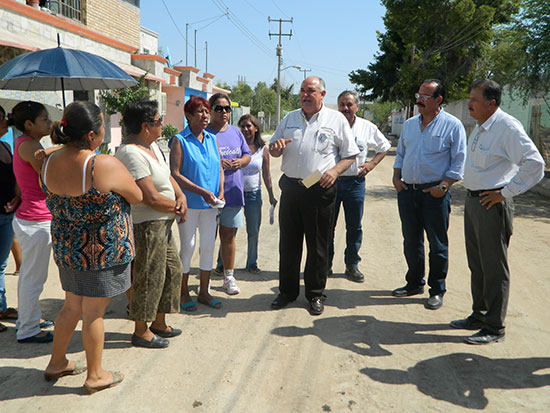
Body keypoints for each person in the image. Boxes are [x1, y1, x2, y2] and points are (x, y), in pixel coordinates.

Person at [42, 101, 142, 393]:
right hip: (100, 253)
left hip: (67, 250)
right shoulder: (101, 164)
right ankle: (96, 375)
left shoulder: (48, 161)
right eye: (101, 126)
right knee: (94, 313)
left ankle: (56, 362)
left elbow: (48, 153)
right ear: (91, 135)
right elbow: (135, 195)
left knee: (70, 307)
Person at [451, 79, 545, 344]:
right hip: (473, 202)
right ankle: (479, 315)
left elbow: (534, 163)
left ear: (491, 103)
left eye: (474, 100)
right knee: (477, 264)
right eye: (469, 98)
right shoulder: (482, 127)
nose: (469, 104)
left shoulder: (506, 127)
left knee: (494, 267)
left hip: (492, 204)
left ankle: (494, 327)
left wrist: (505, 193)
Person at [269, 76, 359, 315]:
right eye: (302, 91)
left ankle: (315, 294)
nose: (305, 95)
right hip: (291, 188)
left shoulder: (335, 119)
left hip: (319, 189)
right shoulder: (289, 118)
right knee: (288, 244)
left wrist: (335, 171)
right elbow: (273, 148)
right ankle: (287, 292)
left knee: (318, 245)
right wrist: (275, 149)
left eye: (310, 91)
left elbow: (351, 155)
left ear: (322, 94)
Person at [116, 100, 186, 348]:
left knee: (171, 270)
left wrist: (181, 196)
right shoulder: (130, 152)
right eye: (159, 121)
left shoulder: (153, 146)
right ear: (146, 126)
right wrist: (176, 206)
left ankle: (159, 322)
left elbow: (167, 177)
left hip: (163, 221)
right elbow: (150, 196)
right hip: (147, 223)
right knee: (149, 276)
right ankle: (140, 330)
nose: (162, 124)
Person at [392, 79, 466, 310]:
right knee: (411, 241)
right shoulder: (410, 124)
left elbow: (458, 161)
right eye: (419, 94)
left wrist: (443, 186)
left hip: (435, 194)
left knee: (437, 244)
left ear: (438, 100)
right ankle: (414, 283)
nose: (419, 100)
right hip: (408, 191)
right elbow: (401, 154)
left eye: (425, 96)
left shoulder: (453, 126)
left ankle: (437, 290)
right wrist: (396, 177)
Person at [328, 91, 391, 282]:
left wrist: (371, 165)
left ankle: (352, 265)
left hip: (355, 183)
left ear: (357, 107)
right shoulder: (329, 125)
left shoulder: (367, 127)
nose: (345, 108)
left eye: (349, 104)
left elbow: (385, 146)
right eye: (342, 104)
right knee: (327, 226)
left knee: (354, 226)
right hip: (331, 183)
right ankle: (325, 264)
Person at [170, 95, 225, 310]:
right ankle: (183, 292)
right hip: (189, 205)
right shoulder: (180, 140)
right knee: (188, 247)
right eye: (200, 112)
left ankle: (204, 291)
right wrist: (202, 191)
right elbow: (175, 173)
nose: (205, 115)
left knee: (208, 246)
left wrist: (220, 191)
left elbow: (220, 168)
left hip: (211, 205)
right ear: (188, 115)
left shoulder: (212, 140)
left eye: (206, 111)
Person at [9, 101, 57, 343]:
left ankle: (28, 319)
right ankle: (28, 329)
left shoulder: (31, 144)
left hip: (33, 218)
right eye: (44, 119)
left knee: (31, 276)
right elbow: (49, 176)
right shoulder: (29, 146)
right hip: (35, 220)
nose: (49, 123)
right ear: (29, 125)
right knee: (33, 278)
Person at [207, 93, 251, 295]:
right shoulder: (204, 133)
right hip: (208, 195)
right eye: (219, 108)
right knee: (208, 237)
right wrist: (217, 164)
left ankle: (229, 277)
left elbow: (247, 154)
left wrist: (240, 162)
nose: (224, 112)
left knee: (228, 236)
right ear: (210, 110)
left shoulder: (235, 132)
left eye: (227, 108)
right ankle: (205, 279)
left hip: (233, 192)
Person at [239, 114, 277, 274]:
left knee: (253, 230)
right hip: (235, 194)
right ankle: (222, 264)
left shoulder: (262, 149)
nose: (246, 129)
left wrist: (271, 195)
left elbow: (266, 174)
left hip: (254, 195)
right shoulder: (236, 147)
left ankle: (252, 263)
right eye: (243, 126)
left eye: (249, 126)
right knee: (229, 230)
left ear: (256, 128)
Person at [0, 105, 20, 332]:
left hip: (7, 214)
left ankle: (1, 307)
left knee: (1, 264)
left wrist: (16, 198)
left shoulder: (6, 146)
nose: (5, 121)